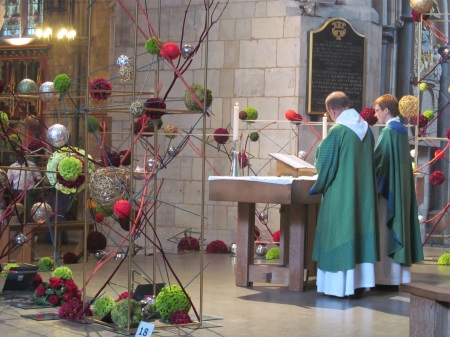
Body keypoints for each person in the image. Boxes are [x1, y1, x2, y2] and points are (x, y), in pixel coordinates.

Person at [309, 91, 379, 298]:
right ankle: (357, 285)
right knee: (356, 230)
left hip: (340, 195)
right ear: (348, 105)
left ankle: (337, 287)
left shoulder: (338, 131)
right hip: (362, 195)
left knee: (337, 233)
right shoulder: (367, 130)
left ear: (332, 110)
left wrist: (318, 186)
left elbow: (325, 164)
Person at [373, 94, 424, 289]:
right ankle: (398, 277)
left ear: (387, 110)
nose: (376, 114)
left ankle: (386, 279)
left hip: (389, 191)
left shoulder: (389, 132)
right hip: (399, 187)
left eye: (378, 110)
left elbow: (380, 162)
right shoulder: (401, 130)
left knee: (386, 230)